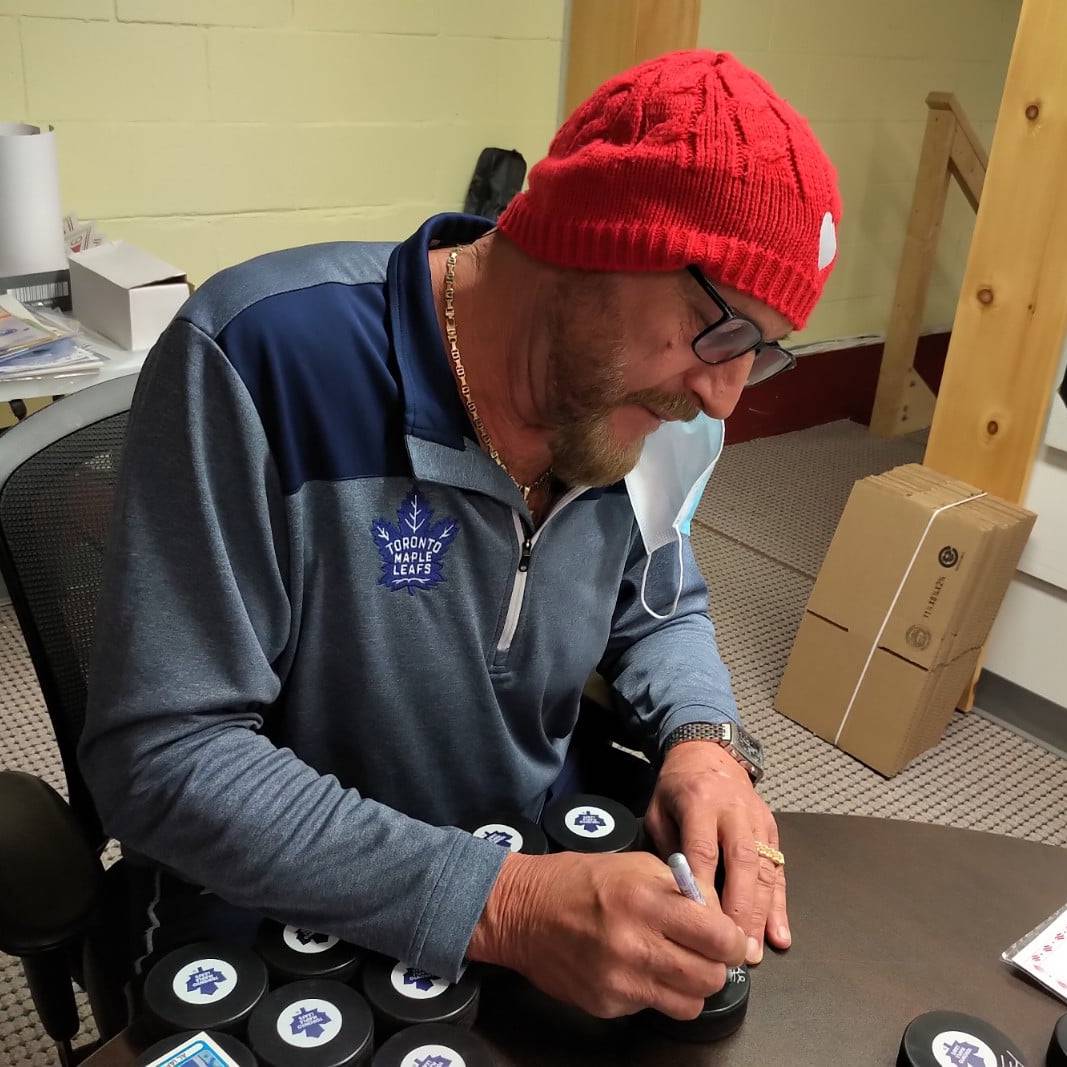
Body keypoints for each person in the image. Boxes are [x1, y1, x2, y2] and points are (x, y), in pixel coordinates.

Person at [78, 49, 840, 1022]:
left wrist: (703, 740)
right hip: (280, 914)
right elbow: (163, 754)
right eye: (721, 328)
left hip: (534, 865)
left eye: (763, 352)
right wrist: (501, 901)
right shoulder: (260, 358)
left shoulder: (644, 407)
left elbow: (660, 604)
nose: (722, 395)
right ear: (592, 235)